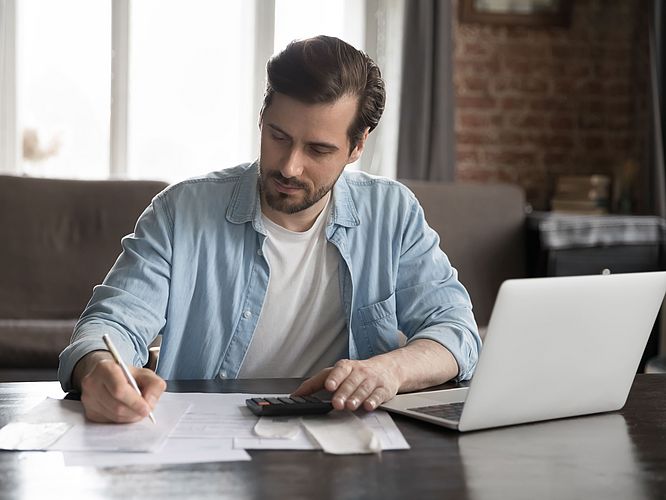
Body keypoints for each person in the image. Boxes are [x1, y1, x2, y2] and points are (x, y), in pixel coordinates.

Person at [58, 35, 481, 423]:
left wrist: (389, 369)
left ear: (357, 146)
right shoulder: (180, 211)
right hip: (205, 438)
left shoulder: (393, 213)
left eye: (318, 149)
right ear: (262, 118)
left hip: (345, 437)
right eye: (279, 136)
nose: (289, 166)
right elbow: (109, 324)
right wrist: (99, 371)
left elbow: (456, 331)